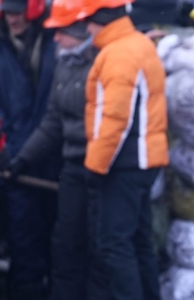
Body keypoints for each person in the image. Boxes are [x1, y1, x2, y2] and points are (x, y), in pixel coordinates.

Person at [76, 0, 169, 299]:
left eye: (88, 20)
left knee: (114, 245)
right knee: (138, 242)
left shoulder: (119, 53)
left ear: (99, 19)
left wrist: (95, 166)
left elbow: (116, 119)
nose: (86, 27)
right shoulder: (135, 44)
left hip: (125, 163)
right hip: (141, 161)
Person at [10, 0, 97, 298]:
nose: (11, 19)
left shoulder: (84, 59)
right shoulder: (60, 60)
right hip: (52, 161)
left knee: (81, 243)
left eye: (16, 11)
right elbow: (49, 119)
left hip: (79, 164)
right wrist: (20, 158)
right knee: (51, 241)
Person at [0, 0, 61, 298]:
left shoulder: (56, 40)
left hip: (52, 158)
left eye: (17, 11)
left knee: (58, 242)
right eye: (7, 12)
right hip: (12, 160)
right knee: (24, 240)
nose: (12, 19)